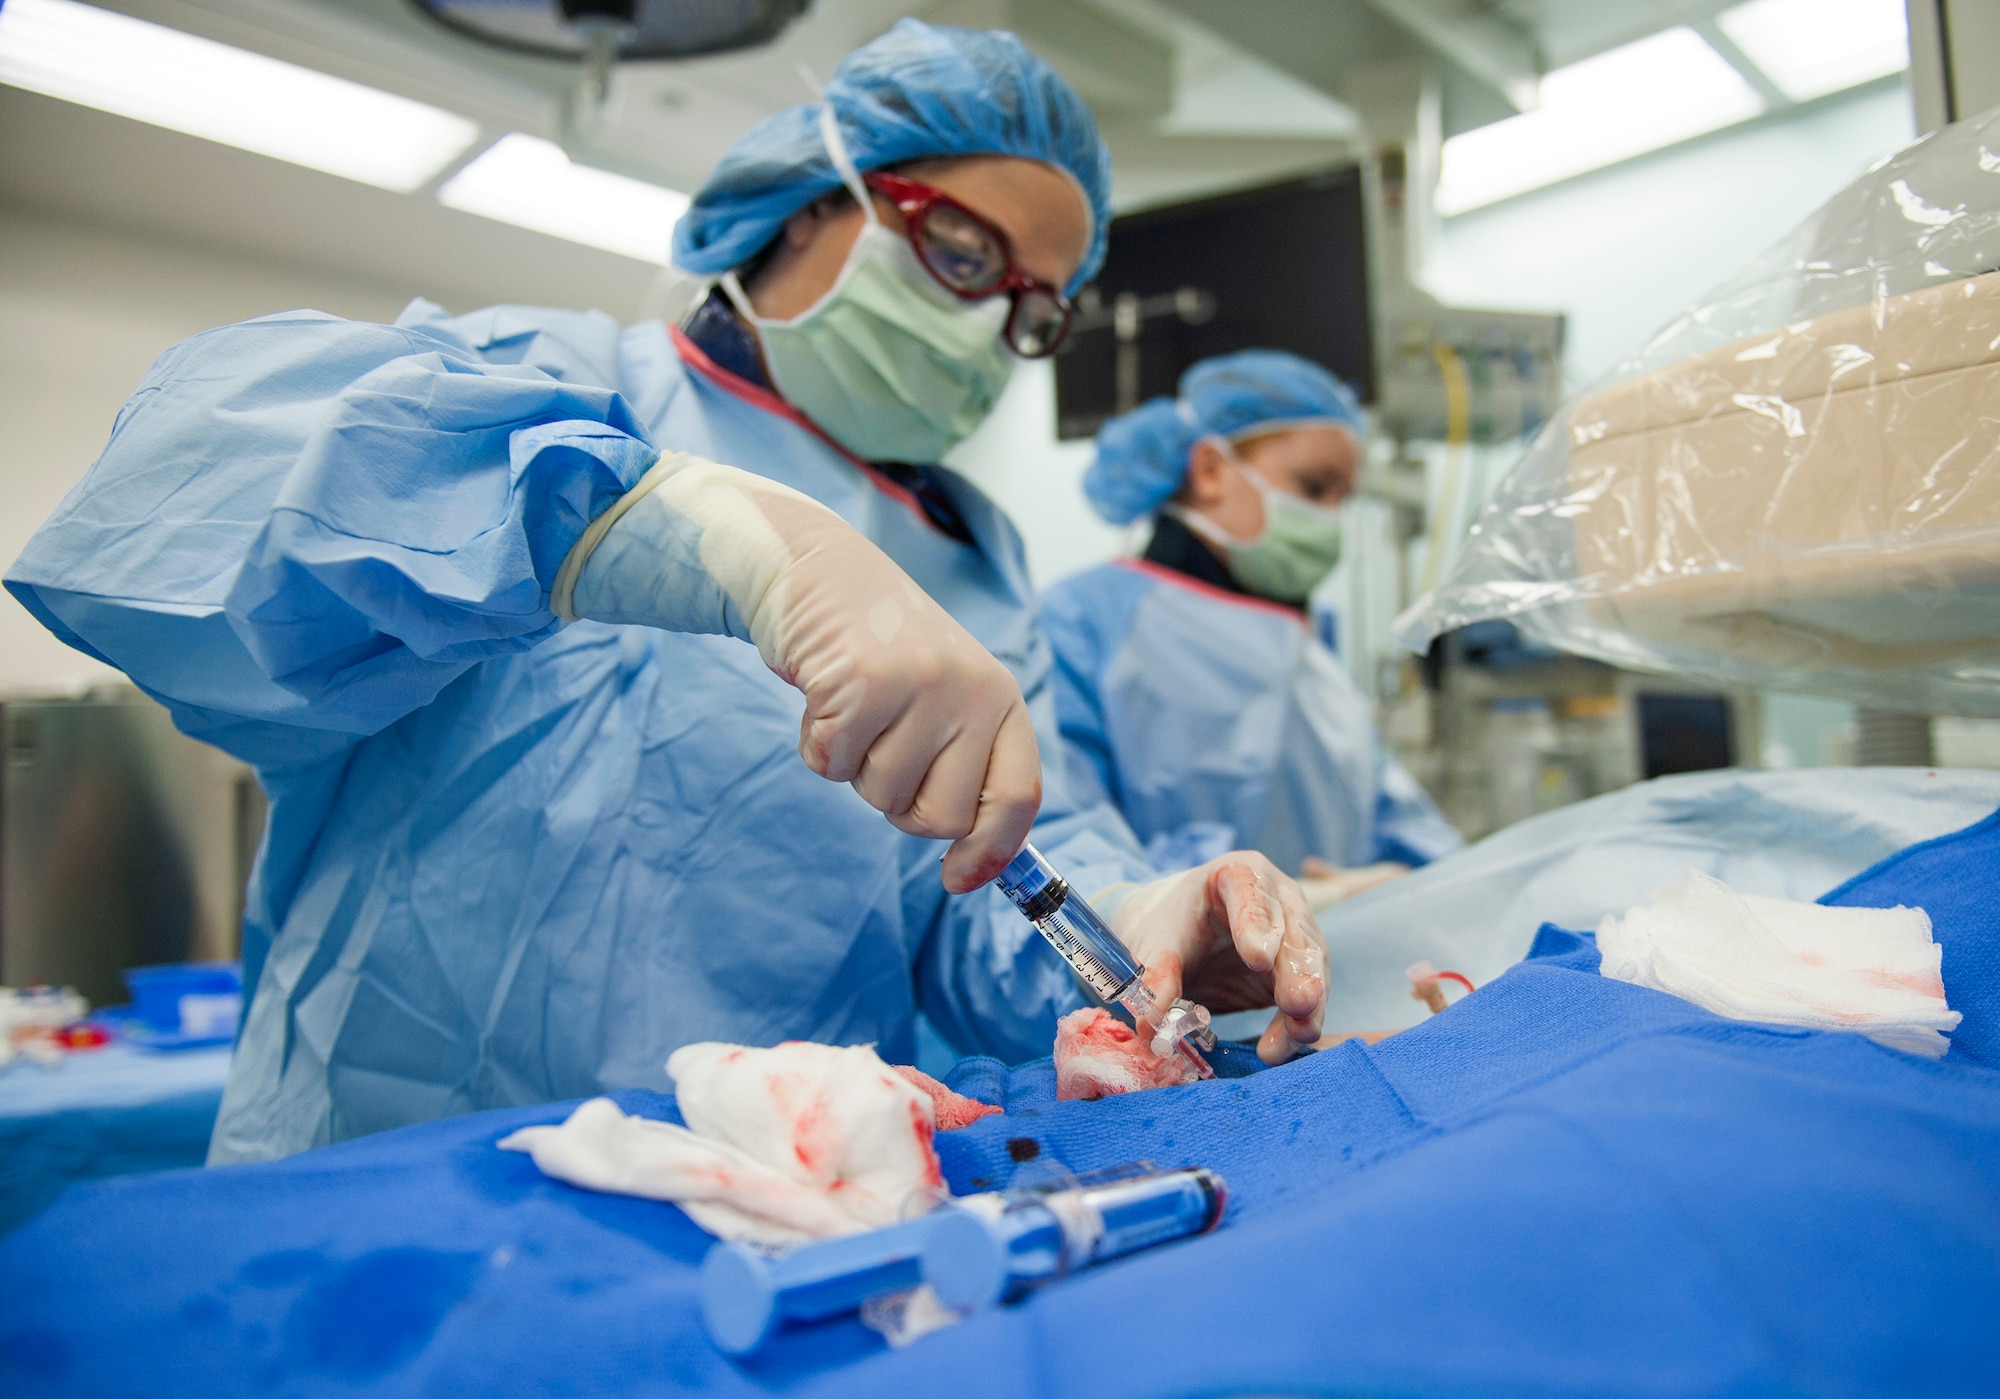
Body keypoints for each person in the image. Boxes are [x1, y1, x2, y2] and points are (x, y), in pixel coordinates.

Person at [5, 22, 1328, 1165]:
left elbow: (987, 898)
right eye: (968, 257)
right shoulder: (563, 391)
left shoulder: (972, 563)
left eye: (1036, 310)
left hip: (775, 1210)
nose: (994, 330)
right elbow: (149, 523)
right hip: (396, 1202)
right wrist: (658, 524)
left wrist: (1137, 921)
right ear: (813, 203)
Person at [1040, 351, 1461, 907]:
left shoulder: (1305, 648)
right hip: (1157, 987)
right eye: (1314, 488)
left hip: (1332, 979)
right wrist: (1204, 910)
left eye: (1343, 499)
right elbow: (1056, 846)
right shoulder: (1083, 622)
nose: (1330, 519)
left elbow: (1405, 831)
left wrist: (1412, 890)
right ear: (1212, 469)